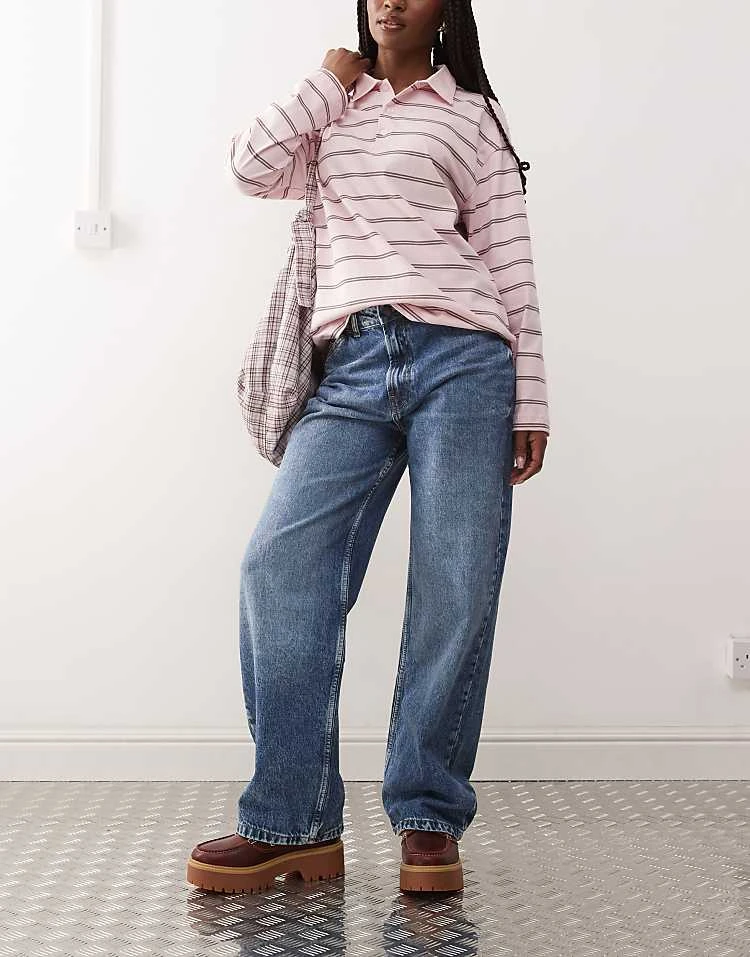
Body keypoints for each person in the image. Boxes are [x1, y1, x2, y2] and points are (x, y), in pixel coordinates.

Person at [187, 0, 550, 896]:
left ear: (445, 10)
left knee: (454, 585)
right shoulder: (332, 107)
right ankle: (292, 819)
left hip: (465, 359)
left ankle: (427, 814)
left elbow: (510, 261)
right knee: (279, 565)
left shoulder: (472, 115)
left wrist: (531, 397)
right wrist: (327, 79)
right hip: (350, 361)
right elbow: (248, 167)